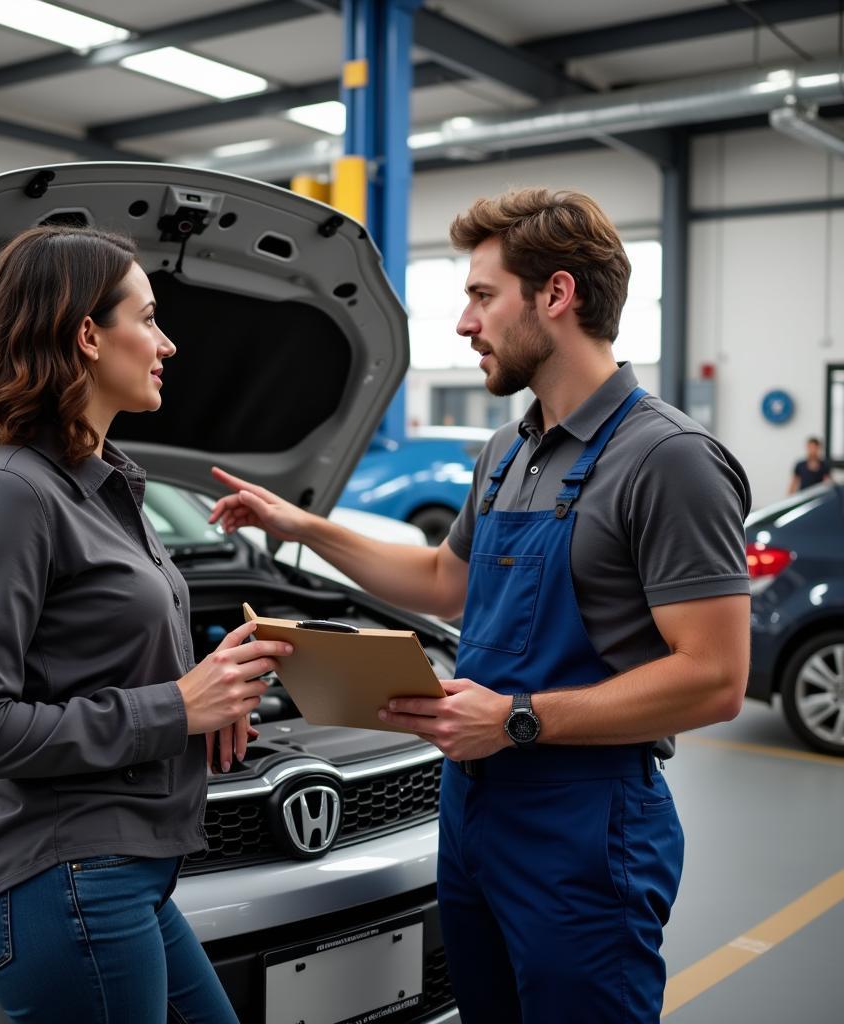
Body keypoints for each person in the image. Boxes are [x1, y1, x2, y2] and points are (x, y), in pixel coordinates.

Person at [209, 188, 751, 1024]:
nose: (466, 324)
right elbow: (441, 580)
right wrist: (303, 527)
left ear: (557, 295)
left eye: (480, 296)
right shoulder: (506, 449)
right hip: (470, 808)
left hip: (585, 821)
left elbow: (714, 680)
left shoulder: (668, 460)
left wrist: (519, 719)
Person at [0, 225, 292, 1023]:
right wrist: (175, 708)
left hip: (124, 874)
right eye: (150, 317)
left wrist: (212, 694)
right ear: (88, 335)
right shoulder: (9, 494)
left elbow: (95, 664)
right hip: (60, 878)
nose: (167, 343)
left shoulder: (103, 488)